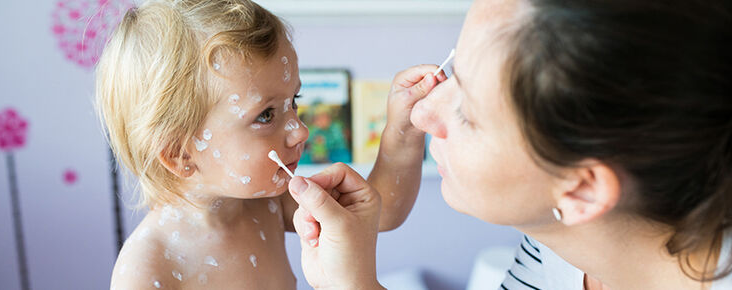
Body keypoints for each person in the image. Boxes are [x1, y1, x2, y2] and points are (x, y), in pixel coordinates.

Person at [287, 0, 732, 289]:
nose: (421, 115)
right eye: (454, 70)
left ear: (581, 191)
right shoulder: (558, 243)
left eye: (469, 113)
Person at [95, 0, 443, 288]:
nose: (300, 130)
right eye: (265, 115)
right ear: (180, 154)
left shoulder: (266, 204)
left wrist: (404, 129)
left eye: (294, 100)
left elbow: (380, 213)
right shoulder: (147, 269)